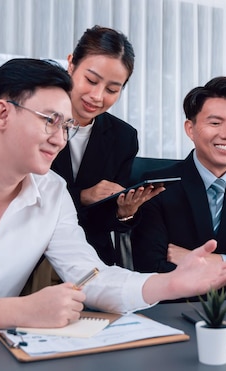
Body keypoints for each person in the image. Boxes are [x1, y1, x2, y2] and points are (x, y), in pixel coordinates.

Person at [0, 58, 226, 343]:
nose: (60, 139)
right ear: (3, 112)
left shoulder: (53, 192)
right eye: (50, 121)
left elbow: (90, 276)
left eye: (66, 126)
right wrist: (13, 310)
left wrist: (168, 285)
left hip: (4, 351)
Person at [131, 77, 226, 298]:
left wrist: (220, 260)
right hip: (171, 312)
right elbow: (150, 266)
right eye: (215, 123)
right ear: (190, 129)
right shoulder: (158, 186)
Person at [52, 25, 160, 266]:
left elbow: (102, 222)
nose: (98, 96)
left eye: (112, 89)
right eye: (91, 80)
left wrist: (124, 212)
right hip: (32, 257)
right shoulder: (38, 118)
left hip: (92, 261)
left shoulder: (123, 137)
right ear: (71, 64)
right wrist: (83, 196)